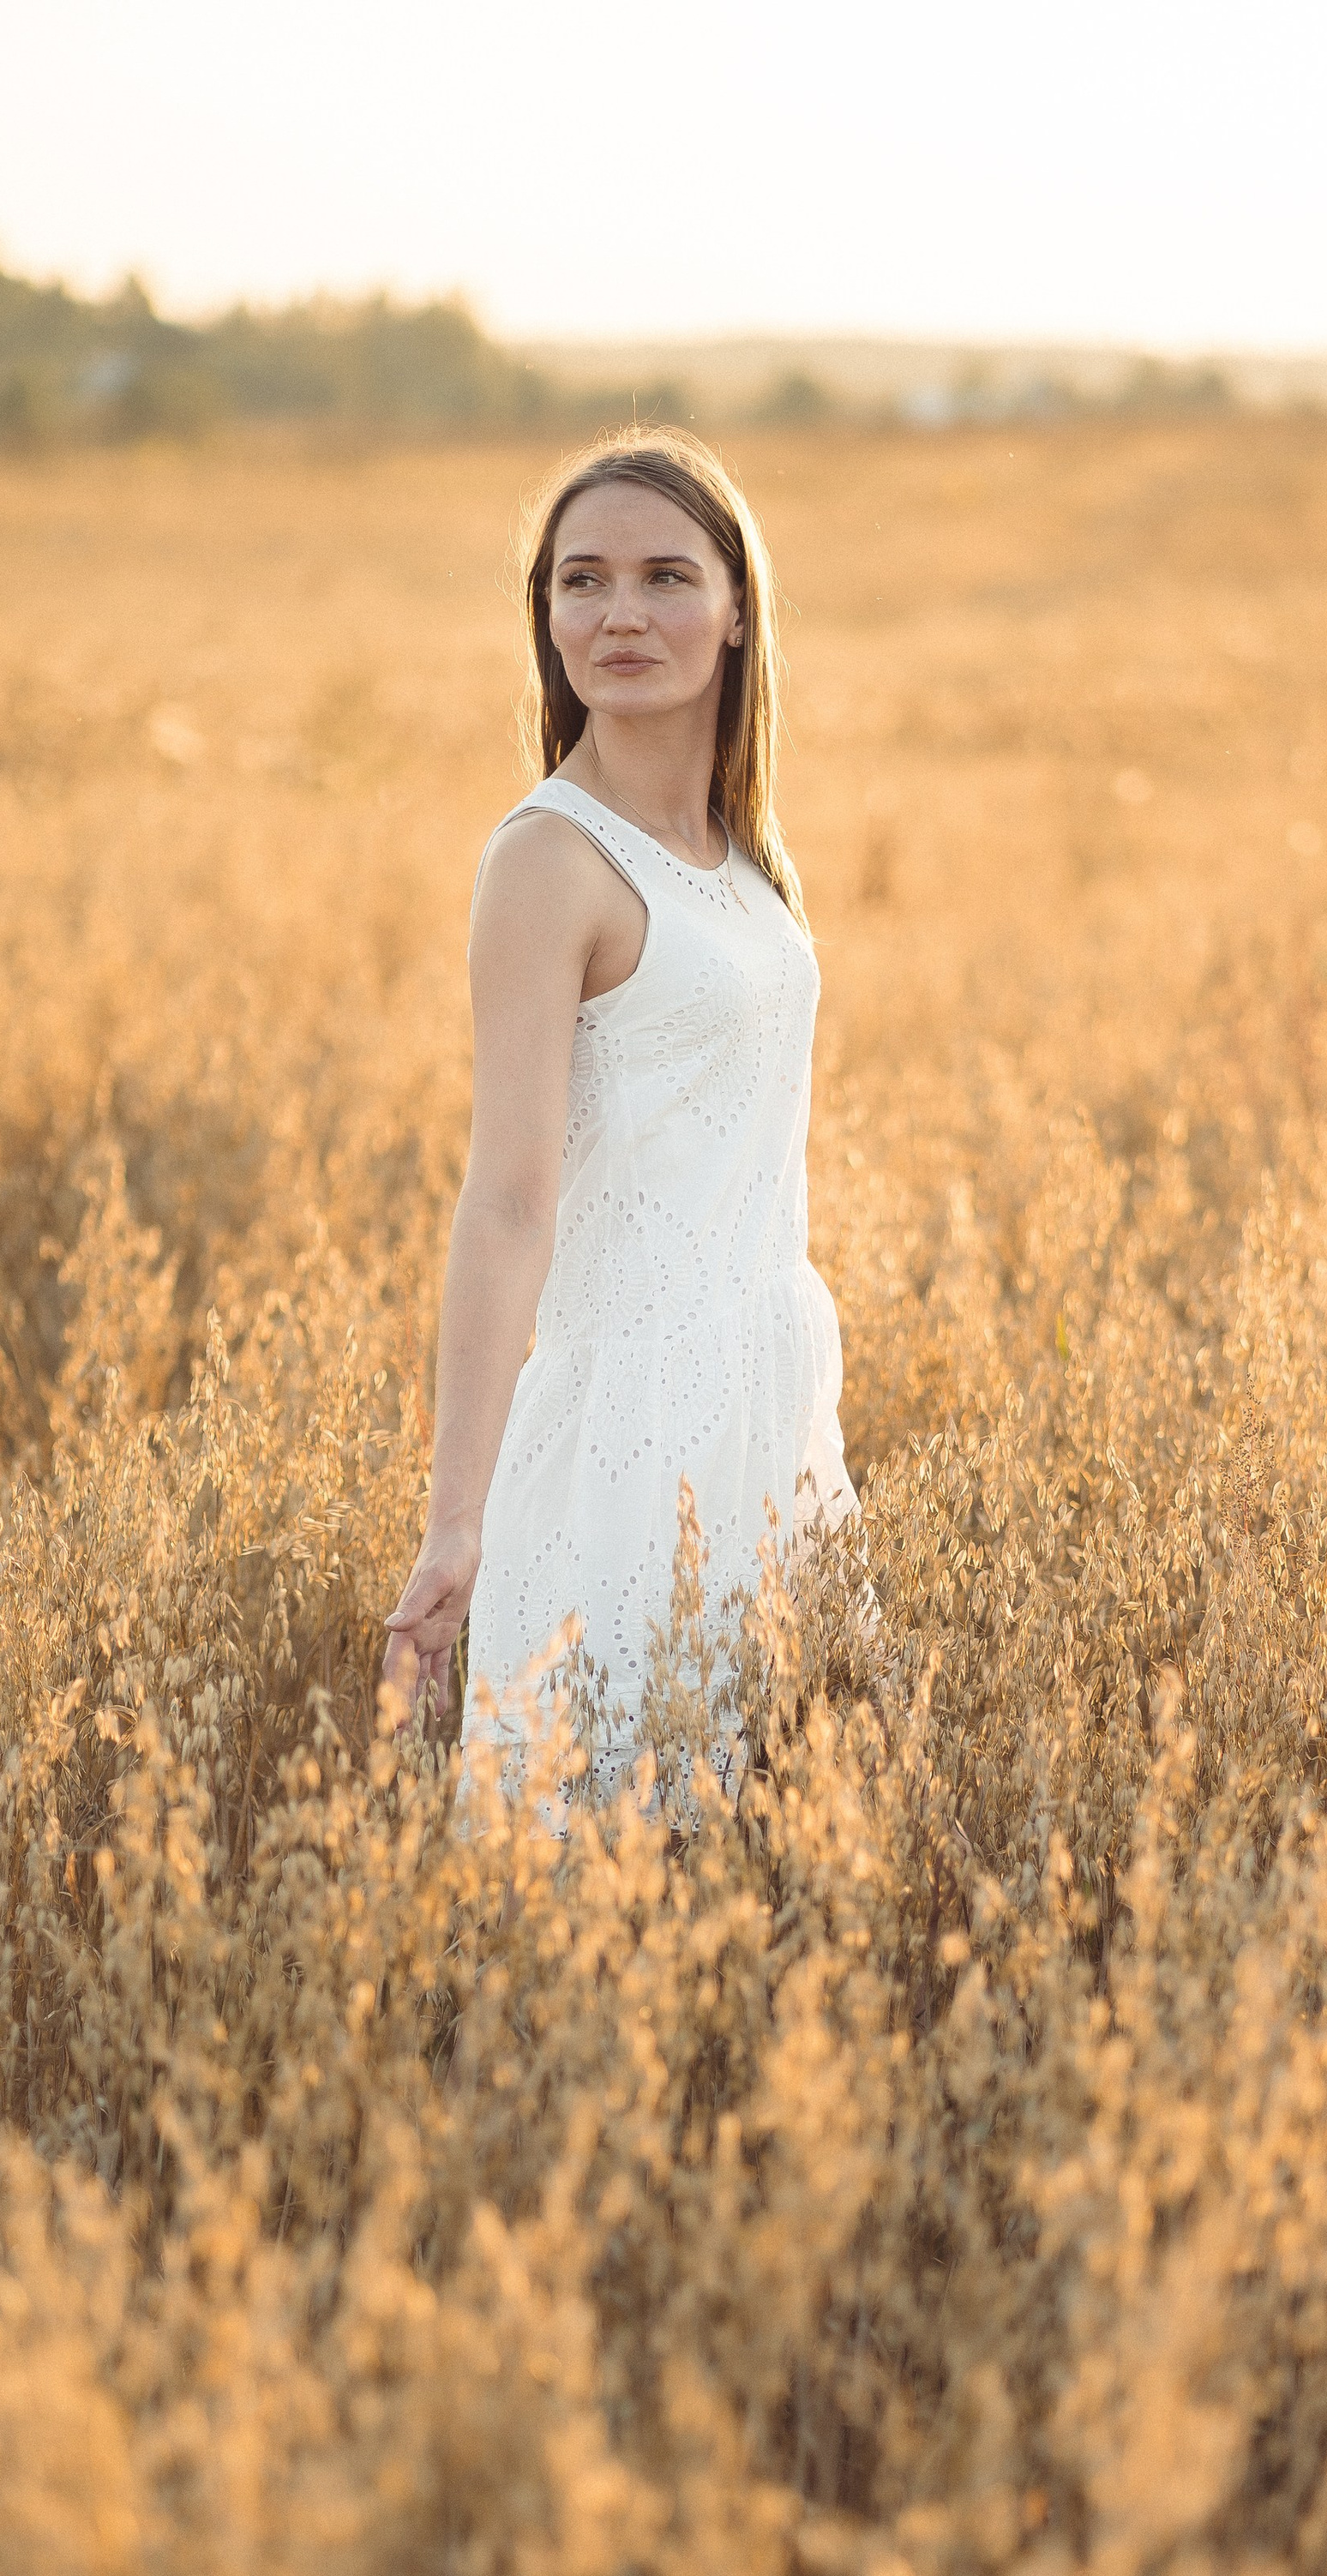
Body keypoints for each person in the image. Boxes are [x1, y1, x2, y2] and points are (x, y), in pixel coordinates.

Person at [381, 430, 856, 1801]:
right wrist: (455, 1522)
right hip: (630, 1434)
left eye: (664, 576)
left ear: (738, 607)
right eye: (581, 582)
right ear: (546, 619)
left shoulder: (735, 846)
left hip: (768, 1396)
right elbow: (510, 1199)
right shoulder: (548, 860)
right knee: (611, 1868)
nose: (620, 614)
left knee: (789, 1851)